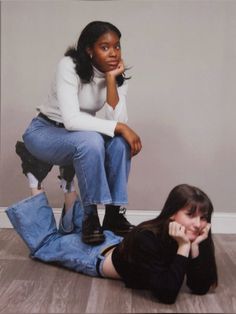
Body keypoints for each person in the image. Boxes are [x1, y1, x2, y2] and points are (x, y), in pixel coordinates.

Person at [15, 21, 142, 245]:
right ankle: (90, 217)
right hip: (45, 132)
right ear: (89, 50)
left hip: (81, 136)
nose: (113, 53)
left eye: (117, 46)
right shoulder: (69, 65)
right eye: (105, 47)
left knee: (120, 144)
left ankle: (112, 215)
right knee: (91, 140)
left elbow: (117, 122)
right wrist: (120, 128)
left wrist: (112, 79)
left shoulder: (116, 74)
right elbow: (72, 120)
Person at [6, 184, 218, 304]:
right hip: (94, 255)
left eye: (204, 217)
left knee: (78, 232)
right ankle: (36, 185)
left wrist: (196, 246)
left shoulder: (192, 236)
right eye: (191, 215)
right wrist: (183, 247)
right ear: (172, 213)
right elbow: (167, 294)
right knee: (46, 244)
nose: (199, 224)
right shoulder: (148, 238)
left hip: (118, 244)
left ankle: (69, 186)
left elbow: (199, 287)